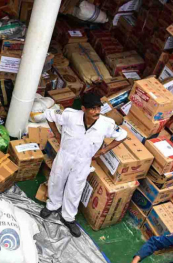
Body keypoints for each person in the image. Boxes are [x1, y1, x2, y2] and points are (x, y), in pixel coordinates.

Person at [40, 92, 128, 237]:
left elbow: (122, 135)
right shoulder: (70, 115)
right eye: (92, 108)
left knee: (75, 188)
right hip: (65, 156)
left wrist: (103, 150)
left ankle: (68, 217)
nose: (96, 112)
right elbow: (49, 114)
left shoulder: (106, 124)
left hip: (83, 161)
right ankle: (52, 205)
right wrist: (56, 133)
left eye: (98, 108)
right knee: (56, 180)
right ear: (83, 108)